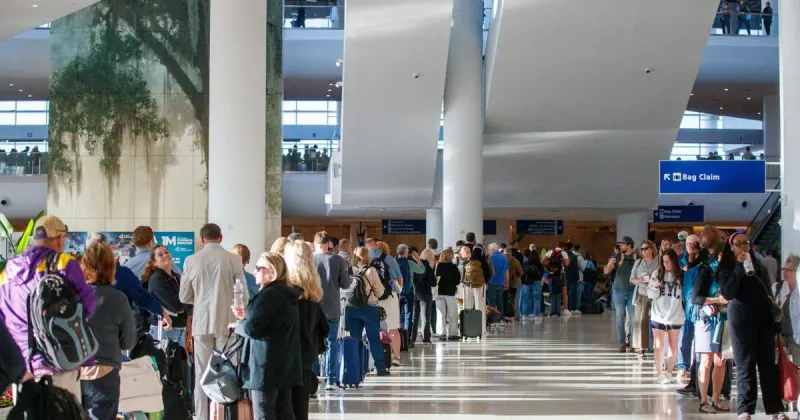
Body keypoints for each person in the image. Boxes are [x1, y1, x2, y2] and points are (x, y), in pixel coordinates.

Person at [0, 215, 95, 402]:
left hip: (22, 367)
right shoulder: (62, 263)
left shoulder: (9, 269)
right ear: (60, 239)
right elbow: (87, 305)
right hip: (58, 361)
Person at [179, 223, 246, 420]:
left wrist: (200, 299)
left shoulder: (191, 260)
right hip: (227, 323)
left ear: (202, 239)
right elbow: (244, 295)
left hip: (202, 323)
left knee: (201, 374)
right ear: (221, 237)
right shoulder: (234, 259)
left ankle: (201, 416)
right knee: (227, 373)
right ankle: (226, 414)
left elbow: (184, 296)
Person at [719, 233, 787, 419]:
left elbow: (766, 292)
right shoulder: (726, 266)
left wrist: (775, 323)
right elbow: (728, 292)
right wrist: (740, 267)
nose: (743, 247)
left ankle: (775, 408)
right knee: (745, 365)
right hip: (741, 320)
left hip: (763, 319)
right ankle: (745, 409)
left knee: (768, 366)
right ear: (731, 247)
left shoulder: (758, 264)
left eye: (745, 243)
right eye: (738, 244)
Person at [232, 251, 302, 420]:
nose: (254, 272)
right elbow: (270, 322)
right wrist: (245, 316)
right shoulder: (285, 294)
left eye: (259, 268)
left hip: (266, 365)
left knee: (264, 412)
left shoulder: (270, 295)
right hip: (282, 362)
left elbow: (252, 329)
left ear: (272, 272)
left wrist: (238, 325)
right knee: (283, 410)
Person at [79, 242, 136, 420]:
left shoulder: (73, 296)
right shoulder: (118, 299)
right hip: (105, 372)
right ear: (111, 268)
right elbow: (128, 342)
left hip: (75, 371)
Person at [87, 232, 169, 336]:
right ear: (108, 249)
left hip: (86, 336)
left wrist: (161, 312)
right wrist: (161, 312)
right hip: (113, 335)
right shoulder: (122, 273)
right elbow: (142, 298)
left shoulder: (78, 274)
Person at [283, 242, 329, 418]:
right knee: (301, 403)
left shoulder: (286, 289)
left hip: (288, 351)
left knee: (285, 403)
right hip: (307, 349)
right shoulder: (313, 288)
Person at [690, 238, 730, 414]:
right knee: (706, 361)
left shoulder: (731, 273)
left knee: (720, 361)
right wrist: (717, 300)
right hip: (707, 320)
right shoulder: (706, 271)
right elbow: (696, 298)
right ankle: (704, 400)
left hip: (724, 319)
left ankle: (716, 398)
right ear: (719, 255)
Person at [311, 231, 350, 390]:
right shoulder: (338, 260)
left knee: (312, 342)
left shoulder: (309, 260)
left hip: (312, 308)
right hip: (332, 308)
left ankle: (312, 379)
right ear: (329, 244)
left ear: (315, 244)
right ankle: (331, 379)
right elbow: (345, 284)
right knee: (331, 343)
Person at [347, 247, 389, 375]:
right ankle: (380, 368)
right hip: (369, 308)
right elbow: (380, 291)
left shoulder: (348, 270)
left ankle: (355, 368)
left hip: (351, 308)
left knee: (355, 339)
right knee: (373, 339)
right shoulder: (371, 271)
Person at [648, 249, 685, 384]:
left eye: (668, 261)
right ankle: (660, 373)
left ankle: (669, 372)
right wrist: (655, 287)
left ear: (674, 261)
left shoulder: (681, 275)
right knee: (658, 345)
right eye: (663, 261)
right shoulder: (657, 273)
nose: (665, 264)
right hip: (658, 314)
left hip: (675, 314)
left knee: (673, 345)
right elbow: (650, 295)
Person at [143, 245, 190, 346]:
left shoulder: (176, 276)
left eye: (166, 252)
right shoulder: (157, 280)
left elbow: (188, 303)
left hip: (180, 328)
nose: (165, 255)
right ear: (154, 262)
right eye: (160, 254)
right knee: (163, 361)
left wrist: (186, 302)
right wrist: (186, 301)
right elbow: (177, 306)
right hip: (164, 330)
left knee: (179, 361)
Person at [605, 236, 637, 352]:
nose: (621, 246)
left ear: (629, 245)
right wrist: (610, 264)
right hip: (618, 291)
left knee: (634, 318)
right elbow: (606, 271)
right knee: (620, 318)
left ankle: (634, 343)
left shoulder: (637, 257)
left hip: (633, 291)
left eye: (623, 244)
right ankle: (621, 344)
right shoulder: (618, 256)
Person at [630, 240, 659, 359]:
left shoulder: (659, 261)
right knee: (641, 320)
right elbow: (631, 278)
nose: (644, 251)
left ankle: (657, 346)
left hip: (656, 294)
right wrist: (638, 280)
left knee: (657, 321)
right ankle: (641, 348)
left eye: (646, 248)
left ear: (651, 249)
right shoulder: (638, 262)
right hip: (642, 293)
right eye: (642, 249)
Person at [775, 255, 800, 361]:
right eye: (783, 269)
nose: (784, 273)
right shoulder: (777, 288)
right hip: (783, 345)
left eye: (788, 270)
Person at [434, 248, 460, 340]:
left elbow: (435, 279)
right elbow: (458, 280)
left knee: (441, 314)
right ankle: (453, 334)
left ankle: (442, 333)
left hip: (439, 292)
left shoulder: (438, 266)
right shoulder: (453, 267)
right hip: (450, 293)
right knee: (452, 314)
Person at [413, 249, 437, 343]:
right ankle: (426, 338)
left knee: (415, 317)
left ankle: (412, 338)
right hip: (426, 294)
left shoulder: (415, 266)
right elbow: (433, 283)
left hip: (415, 292)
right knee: (426, 317)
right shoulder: (428, 267)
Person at [544, 242, 570, 317]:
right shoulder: (563, 253)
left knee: (552, 292)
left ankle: (552, 311)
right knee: (562, 292)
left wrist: (550, 267)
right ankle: (563, 310)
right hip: (561, 274)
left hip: (552, 274)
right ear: (563, 247)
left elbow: (543, 261)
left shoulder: (550, 252)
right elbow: (567, 264)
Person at [520, 248, 545, 322]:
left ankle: (525, 315)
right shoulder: (539, 264)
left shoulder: (526, 262)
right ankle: (536, 316)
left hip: (526, 283)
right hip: (536, 282)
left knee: (526, 299)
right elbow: (542, 273)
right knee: (536, 299)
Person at [486, 243, 509, 319]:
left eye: (489, 250)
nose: (488, 251)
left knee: (491, 303)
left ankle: (492, 320)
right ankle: (500, 319)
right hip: (501, 284)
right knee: (500, 302)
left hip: (492, 283)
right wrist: (507, 283)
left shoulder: (490, 258)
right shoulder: (504, 258)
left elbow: (488, 271)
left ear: (492, 250)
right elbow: (506, 272)